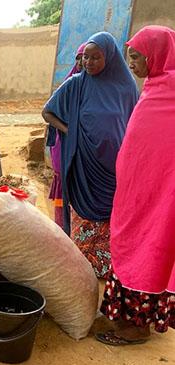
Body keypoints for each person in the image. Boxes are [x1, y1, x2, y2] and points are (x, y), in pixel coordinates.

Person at [96, 26, 175, 345]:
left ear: (155, 56)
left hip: (160, 196)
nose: (132, 64)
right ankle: (127, 315)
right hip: (137, 194)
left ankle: (136, 326)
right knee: (131, 247)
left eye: (136, 57)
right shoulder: (155, 88)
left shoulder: (169, 92)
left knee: (150, 249)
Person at [41, 32, 139, 278]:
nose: (89, 62)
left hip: (115, 168)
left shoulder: (126, 88)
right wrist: (71, 132)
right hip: (84, 165)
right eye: (86, 57)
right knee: (82, 218)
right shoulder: (76, 84)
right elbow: (48, 112)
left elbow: (134, 124)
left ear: (110, 58)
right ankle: (81, 273)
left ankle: (106, 274)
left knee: (112, 218)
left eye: (96, 57)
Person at [46, 42, 86, 229]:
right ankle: (63, 229)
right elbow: (48, 112)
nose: (83, 63)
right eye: (80, 58)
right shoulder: (71, 84)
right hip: (65, 149)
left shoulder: (100, 89)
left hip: (87, 151)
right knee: (63, 191)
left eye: (87, 58)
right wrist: (68, 130)